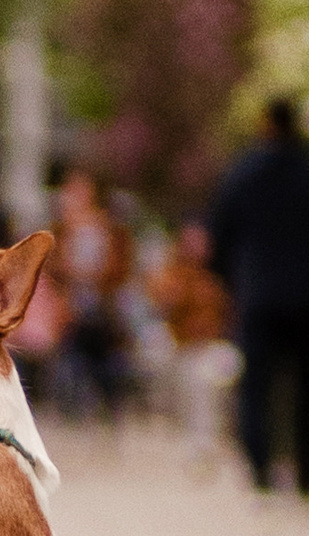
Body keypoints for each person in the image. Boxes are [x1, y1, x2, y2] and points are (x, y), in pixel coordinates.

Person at [204, 96, 309, 499]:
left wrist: (230, 280)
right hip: (308, 298)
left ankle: (260, 472)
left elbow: (219, 235)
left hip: (257, 295)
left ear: (265, 124)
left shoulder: (243, 174)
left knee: (256, 387)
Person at [146, 220, 239, 471]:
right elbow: (161, 310)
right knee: (188, 370)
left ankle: (210, 442)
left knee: (212, 373)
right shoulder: (172, 275)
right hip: (182, 349)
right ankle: (192, 439)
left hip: (214, 348)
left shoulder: (219, 279)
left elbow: (226, 321)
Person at [51, 164, 133, 421]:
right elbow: (53, 269)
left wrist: (89, 274)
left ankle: (109, 402)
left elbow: (119, 269)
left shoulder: (109, 229)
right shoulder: (60, 229)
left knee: (104, 352)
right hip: (70, 306)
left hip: (101, 306)